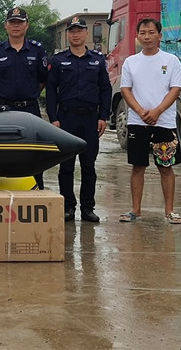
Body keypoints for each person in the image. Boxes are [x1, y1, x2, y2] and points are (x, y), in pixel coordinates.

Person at [118, 18, 181, 224]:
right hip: (138, 122)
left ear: (160, 36)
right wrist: (140, 111)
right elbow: (125, 90)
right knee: (138, 166)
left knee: (166, 166)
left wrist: (157, 111)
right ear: (137, 36)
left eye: (151, 32)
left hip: (164, 122)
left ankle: (170, 211)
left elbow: (175, 89)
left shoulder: (171, 60)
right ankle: (135, 210)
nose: (147, 37)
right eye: (143, 33)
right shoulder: (131, 62)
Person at [46, 17, 112, 222]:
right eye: (72, 31)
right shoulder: (58, 60)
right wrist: (54, 118)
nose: (75, 34)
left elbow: (105, 89)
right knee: (66, 166)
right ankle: (68, 207)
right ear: (68, 35)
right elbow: (51, 91)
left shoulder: (97, 60)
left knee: (88, 165)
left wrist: (103, 116)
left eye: (79, 30)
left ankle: (87, 208)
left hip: (90, 118)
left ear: (86, 33)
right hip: (66, 118)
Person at [0, 7, 48, 189]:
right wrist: (5, 94)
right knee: (5, 151)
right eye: (12, 22)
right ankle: (7, 190)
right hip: (5, 108)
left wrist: (28, 93)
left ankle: (36, 190)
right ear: (6, 25)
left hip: (30, 108)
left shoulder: (37, 49)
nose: (16, 26)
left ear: (26, 25)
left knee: (34, 151)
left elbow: (43, 79)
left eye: (19, 22)